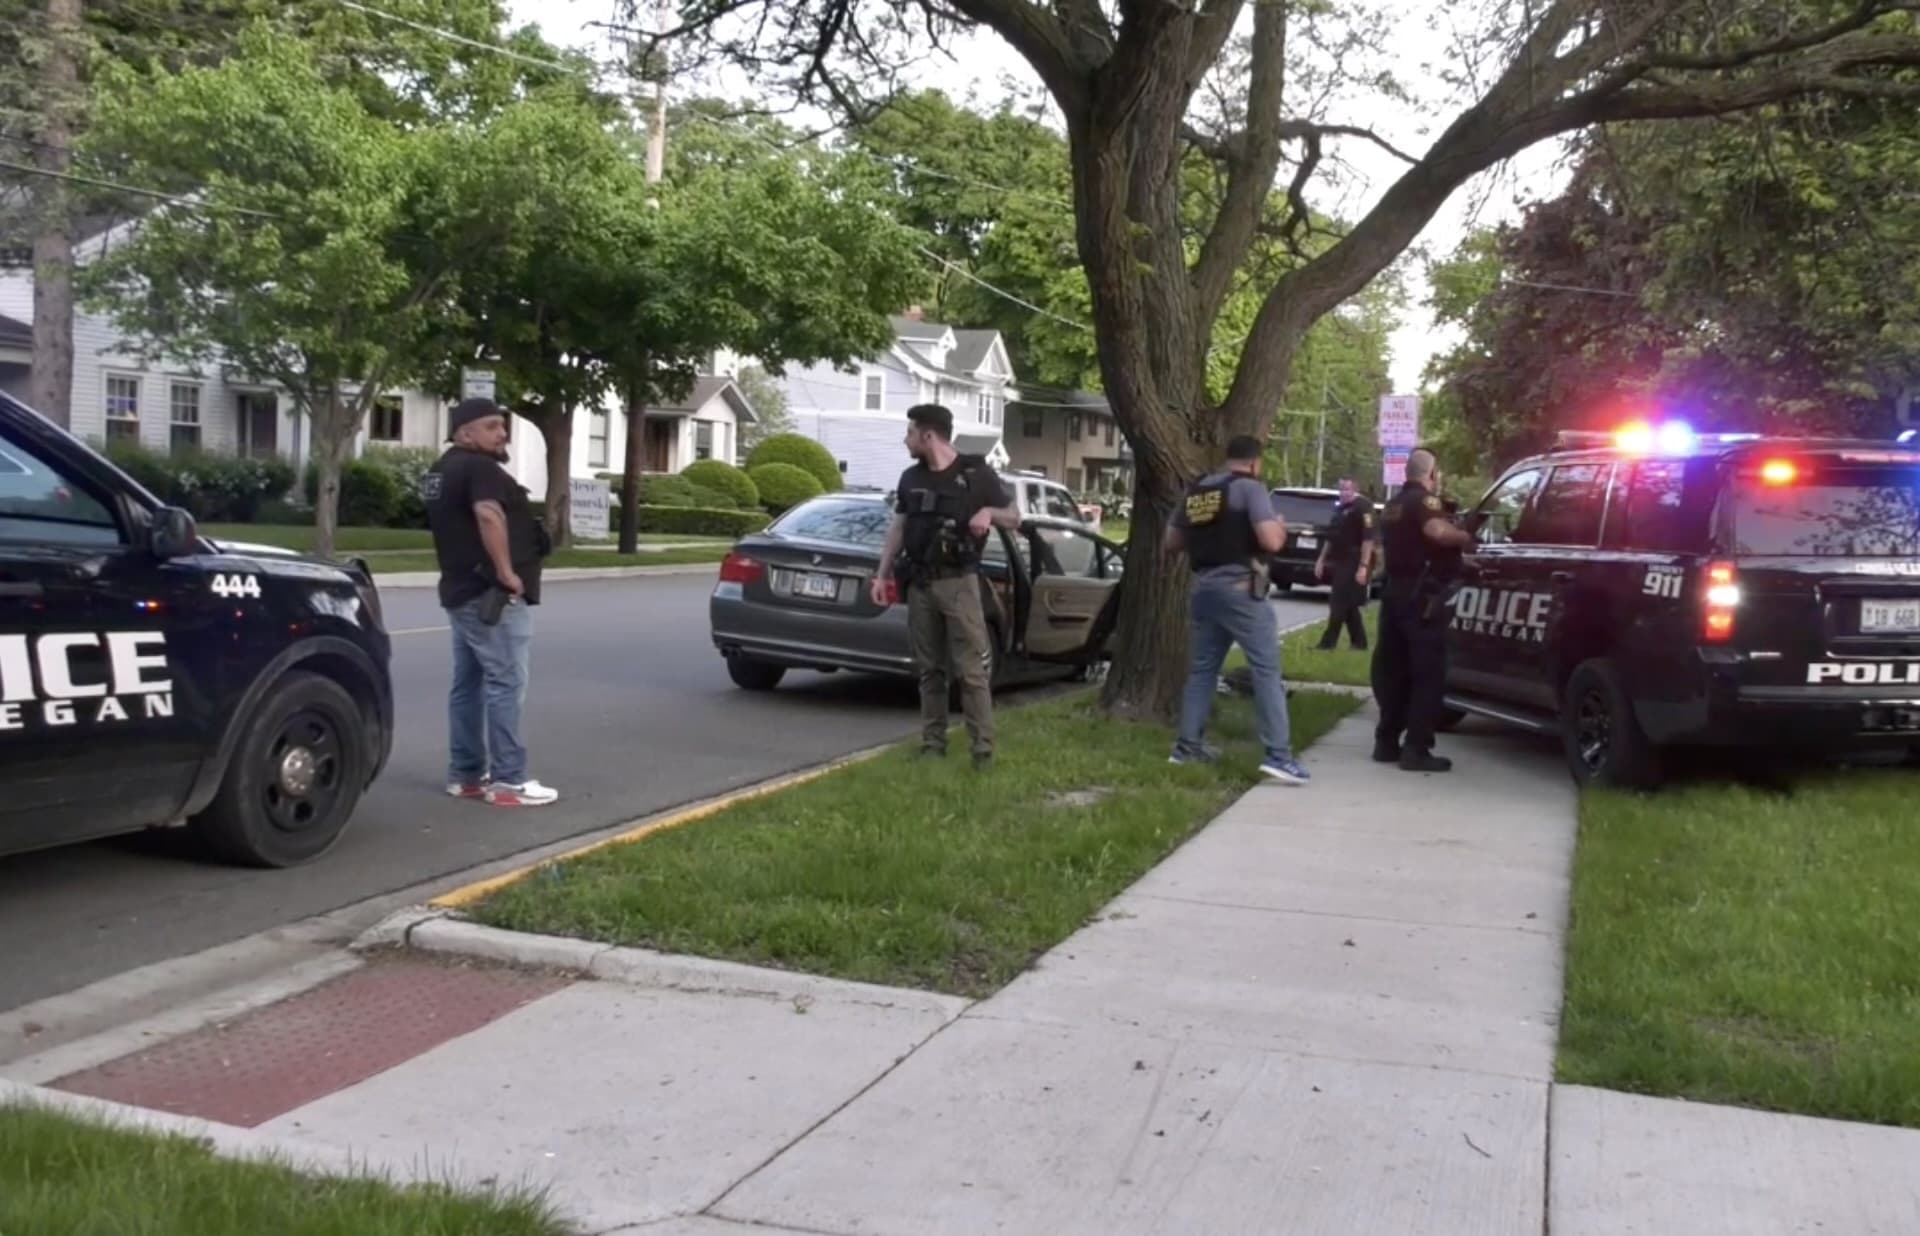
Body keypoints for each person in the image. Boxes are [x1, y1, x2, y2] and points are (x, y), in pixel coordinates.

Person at [424, 396, 556, 807]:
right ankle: (508, 781)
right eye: (492, 426)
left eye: (503, 425)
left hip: (461, 590)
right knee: (505, 682)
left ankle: (466, 775)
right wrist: (506, 572)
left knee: (469, 684)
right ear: (465, 433)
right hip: (489, 594)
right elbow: (488, 515)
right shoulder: (480, 469)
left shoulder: (442, 470)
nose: (503, 434)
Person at [872, 403, 1020, 769]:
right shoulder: (910, 478)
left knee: (971, 671)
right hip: (921, 584)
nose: (906, 440)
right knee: (929, 670)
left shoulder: (976, 475)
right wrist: (882, 573)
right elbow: (899, 527)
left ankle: (982, 750)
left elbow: (1014, 517)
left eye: (910, 433)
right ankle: (932, 745)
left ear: (928, 436)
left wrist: (989, 512)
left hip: (959, 583)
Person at [1165, 435, 1310, 785]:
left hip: (1203, 590)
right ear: (1255, 462)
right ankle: (1279, 756)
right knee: (1266, 671)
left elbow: (1171, 542)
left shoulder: (1198, 491)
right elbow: (1270, 540)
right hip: (1241, 592)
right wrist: (1278, 526)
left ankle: (1186, 747)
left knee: (1202, 670)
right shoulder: (1250, 489)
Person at [1371, 447, 1474, 773]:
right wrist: (1464, 535)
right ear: (1431, 474)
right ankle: (1417, 748)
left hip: (1393, 592)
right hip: (1420, 596)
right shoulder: (1425, 502)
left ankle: (1386, 742)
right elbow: (1436, 532)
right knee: (1427, 673)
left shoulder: (1393, 505)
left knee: (1394, 671)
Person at [1314, 476, 1378, 650]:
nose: (1343, 493)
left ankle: (1327, 643)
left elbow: (1368, 539)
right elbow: (1331, 537)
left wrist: (1363, 566)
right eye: (1341, 489)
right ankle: (1359, 642)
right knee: (1348, 603)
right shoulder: (1340, 509)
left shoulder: (1363, 508)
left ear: (1355, 490)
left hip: (1355, 559)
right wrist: (1321, 560)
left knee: (1338, 601)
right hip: (1340, 559)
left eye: (1347, 489)